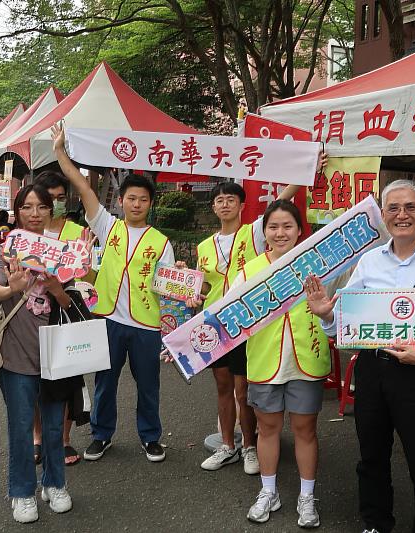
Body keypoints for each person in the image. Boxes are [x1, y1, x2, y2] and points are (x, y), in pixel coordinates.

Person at [306, 179, 415, 533]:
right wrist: (327, 314)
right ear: (383, 215)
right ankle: (376, 523)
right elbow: (345, 321)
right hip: (373, 369)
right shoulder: (369, 261)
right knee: (372, 455)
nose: (402, 215)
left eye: (410, 207)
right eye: (393, 208)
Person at [52, 123, 173, 463]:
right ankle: (101, 435)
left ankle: (150, 437)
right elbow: (80, 185)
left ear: (150, 203)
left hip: (147, 325)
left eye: (143, 199)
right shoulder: (108, 226)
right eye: (131, 198)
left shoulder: (161, 242)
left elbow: (168, 286)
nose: (136, 204)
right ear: (121, 201)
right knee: (105, 382)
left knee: (149, 386)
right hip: (107, 319)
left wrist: (172, 323)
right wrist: (60, 151)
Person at [184, 182, 296, 475]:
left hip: (247, 323)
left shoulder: (254, 232)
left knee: (242, 388)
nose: (224, 204)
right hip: (216, 325)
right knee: (222, 387)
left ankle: (249, 446)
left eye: (230, 199)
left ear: (242, 205)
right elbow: (206, 283)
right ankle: (227, 445)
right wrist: (194, 290)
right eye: (219, 200)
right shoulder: (205, 245)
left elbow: (283, 199)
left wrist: (308, 167)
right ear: (213, 207)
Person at [229, 200, 328, 528]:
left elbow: (336, 306)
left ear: (300, 230)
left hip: (307, 359)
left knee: (305, 430)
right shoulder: (249, 271)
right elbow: (229, 318)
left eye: (288, 226)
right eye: (273, 227)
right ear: (264, 231)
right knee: (267, 429)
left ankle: (306, 497)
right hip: (265, 361)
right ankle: (269, 492)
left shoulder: (320, 264)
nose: (280, 233)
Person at [0, 184, 74, 523]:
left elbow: (81, 303)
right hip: (16, 354)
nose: (34, 213)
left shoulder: (66, 252)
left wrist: (55, 288)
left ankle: (55, 483)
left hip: (58, 354)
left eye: (41, 207)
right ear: (17, 211)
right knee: (21, 426)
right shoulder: (4, 251)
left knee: (53, 426)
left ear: (52, 211)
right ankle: (22, 492)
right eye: (28, 207)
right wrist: (12, 288)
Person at [30, 170, 87, 467]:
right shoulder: (26, 233)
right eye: (49, 199)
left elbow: (86, 280)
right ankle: (38, 436)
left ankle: (64, 439)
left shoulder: (79, 234)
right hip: (32, 318)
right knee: (35, 378)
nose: (55, 203)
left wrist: (87, 263)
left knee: (67, 378)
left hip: (65, 312)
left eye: (60, 198)